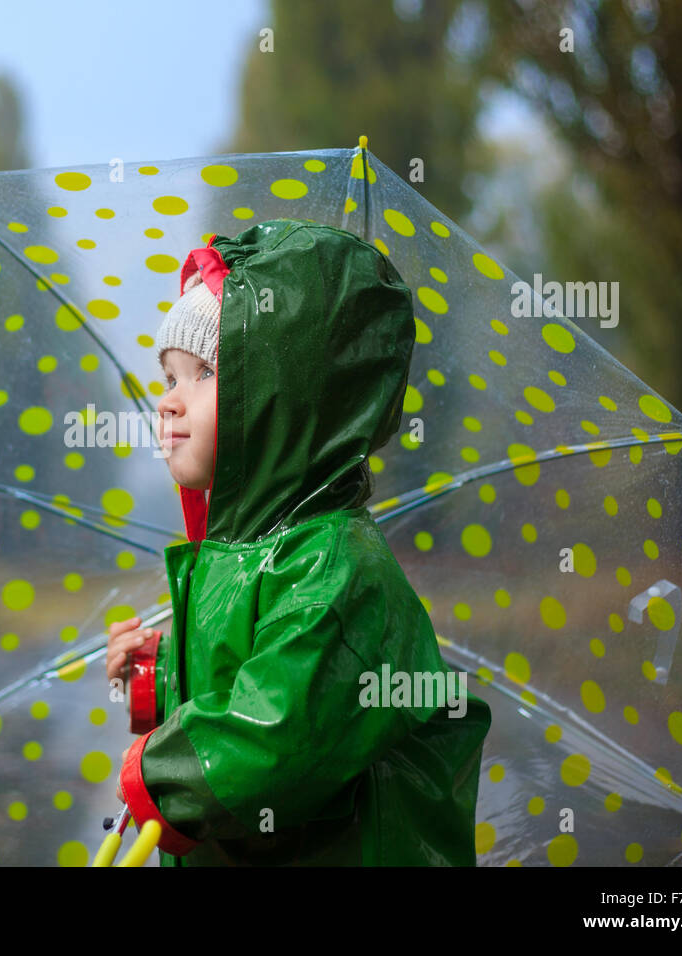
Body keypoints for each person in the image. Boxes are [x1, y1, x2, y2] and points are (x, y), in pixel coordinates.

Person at [105, 219, 492, 866]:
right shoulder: (236, 553)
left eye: (202, 373)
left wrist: (159, 777)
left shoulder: (337, 565)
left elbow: (282, 728)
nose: (169, 403)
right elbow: (229, 686)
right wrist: (155, 674)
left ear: (286, 398)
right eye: (168, 378)